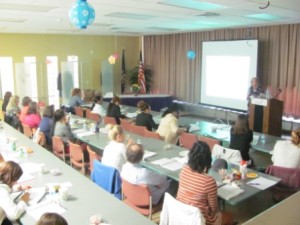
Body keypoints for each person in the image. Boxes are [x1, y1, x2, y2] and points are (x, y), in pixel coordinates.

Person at [177, 141, 233, 225]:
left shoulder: (184, 170)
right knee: (229, 216)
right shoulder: (208, 181)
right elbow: (214, 209)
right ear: (208, 159)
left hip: (182, 215)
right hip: (200, 220)